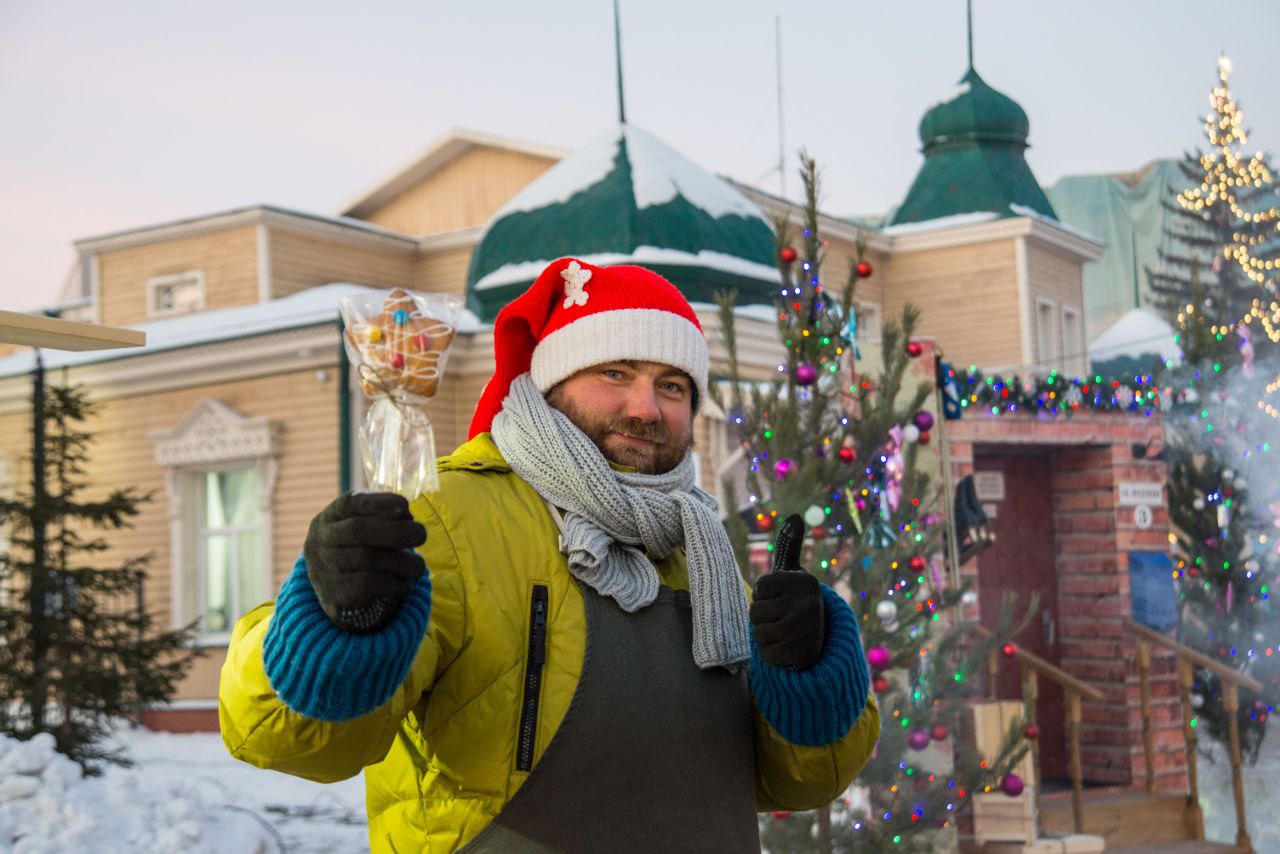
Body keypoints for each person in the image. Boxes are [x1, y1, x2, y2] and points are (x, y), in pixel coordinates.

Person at [219, 257, 879, 852]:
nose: (646, 408)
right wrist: (335, 625)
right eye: (614, 373)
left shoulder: (697, 543)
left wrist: (810, 675)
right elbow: (286, 739)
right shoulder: (445, 517)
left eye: (673, 386)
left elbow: (795, 784)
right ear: (551, 384)